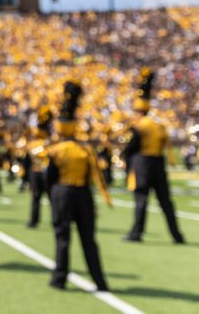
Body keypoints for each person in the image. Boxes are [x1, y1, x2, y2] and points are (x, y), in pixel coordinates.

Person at [46, 81, 112, 292]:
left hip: (62, 194)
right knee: (89, 240)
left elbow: (50, 178)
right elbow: (95, 177)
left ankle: (59, 278)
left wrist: (53, 196)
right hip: (83, 195)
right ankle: (100, 281)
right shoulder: (85, 150)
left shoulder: (55, 150)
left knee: (63, 239)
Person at [122, 68, 185, 244]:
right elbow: (166, 146)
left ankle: (136, 233)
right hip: (158, 162)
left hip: (142, 163)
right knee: (166, 202)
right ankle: (176, 235)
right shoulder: (159, 125)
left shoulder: (138, 126)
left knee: (141, 200)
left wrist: (125, 159)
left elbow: (131, 147)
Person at [26, 106, 53, 228]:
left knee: (49, 198)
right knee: (37, 197)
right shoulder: (39, 143)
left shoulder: (50, 142)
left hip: (44, 172)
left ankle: (37, 220)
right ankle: (34, 220)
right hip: (38, 171)